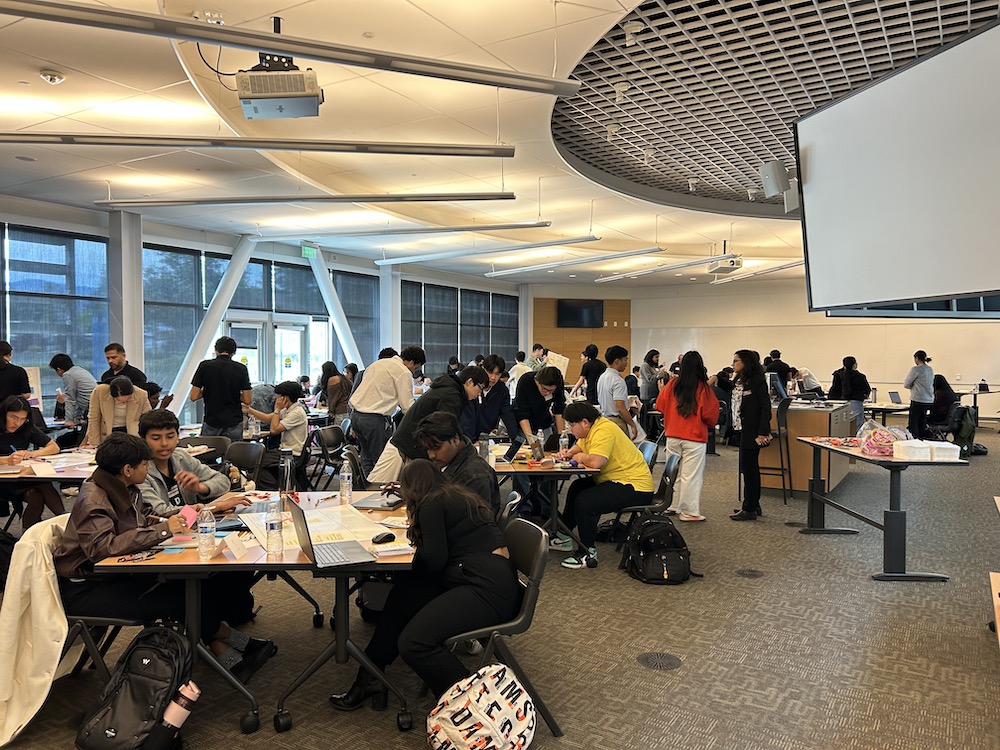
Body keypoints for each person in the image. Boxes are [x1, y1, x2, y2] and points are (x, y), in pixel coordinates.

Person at [52, 433, 275, 683]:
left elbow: (151, 518)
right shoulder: (94, 499)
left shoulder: (123, 487)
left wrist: (198, 512)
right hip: (86, 588)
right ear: (127, 470)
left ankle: (229, 653)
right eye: (144, 464)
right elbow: (102, 548)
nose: (148, 468)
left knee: (190, 587)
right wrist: (164, 530)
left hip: (112, 575)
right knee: (177, 600)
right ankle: (234, 646)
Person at [329, 459, 520, 706]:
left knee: (414, 643)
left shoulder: (432, 503)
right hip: (488, 580)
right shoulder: (450, 495)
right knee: (402, 597)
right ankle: (370, 678)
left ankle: (472, 703)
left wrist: (401, 562)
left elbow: (433, 562)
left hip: (486, 590)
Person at [550, 402, 654, 569]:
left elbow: (596, 462)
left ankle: (587, 552)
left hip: (635, 486)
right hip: (617, 479)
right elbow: (580, 446)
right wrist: (569, 453)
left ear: (584, 422)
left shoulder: (604, 430)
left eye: (572, 425)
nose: (570, 429)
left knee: (586, 502)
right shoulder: (592, 428)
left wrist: (580, 457)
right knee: (577, 487)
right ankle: (564, 535)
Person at [367, 366, 489, 484]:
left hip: (410, 446)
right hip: (403, 448)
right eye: (480, 388)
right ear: (469, 382)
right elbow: (446, 428)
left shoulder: (449, 390)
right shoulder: (452, 395)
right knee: (375, 489)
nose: (478, 394)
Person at [137, 409, 248, 517]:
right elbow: (161, 512)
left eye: (170, 436)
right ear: (143, 439)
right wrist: (214, 507)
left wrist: (200, 487)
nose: (164, 443)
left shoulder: (181, 457)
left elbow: (223, 481)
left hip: (194, 523)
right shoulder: (139, 471)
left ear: (178, 437)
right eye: (156, 438)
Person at [655, 351, 719, 522]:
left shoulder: (673, 384)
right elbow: (710, 416)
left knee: (673, 472)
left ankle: (672, 504)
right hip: (694, 438)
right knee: (691, 476)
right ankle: (688, 511)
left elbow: (659, 405)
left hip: (673, 435)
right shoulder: (703, 388)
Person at [348, 346, 426, 477]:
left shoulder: (377, 364)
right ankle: (378, 487)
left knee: (366, 457)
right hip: (373, 419)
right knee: (380, 461)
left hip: (356, 416)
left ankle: (368, 485)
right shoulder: (403, 372)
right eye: (416, 367)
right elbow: (407, 406)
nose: (414, 371)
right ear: (411, 362)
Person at [414, 411, 500, 513]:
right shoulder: (449, 463)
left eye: (436, 448)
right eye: (428, 449)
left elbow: (476, 520)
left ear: (455, 440)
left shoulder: (474, 476)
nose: (431, 455)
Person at [0, 395, 62, 527]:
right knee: (43, 484)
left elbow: (54, 447)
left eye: (23, 419)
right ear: (4, 414)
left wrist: (31, 454)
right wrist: (7, 460)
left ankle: (29, 534)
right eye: (14, 417)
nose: (17, 423)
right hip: (4, 481)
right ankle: (66, 520)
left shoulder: (26, 427)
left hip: (22, 477)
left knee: (35, 495)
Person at [242, 381, 309, 489]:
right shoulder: (288, 409)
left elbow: (274, 430)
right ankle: (276, 484)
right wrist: (249, 410)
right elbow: (268, 418)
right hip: (284, 450)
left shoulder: (297, 412)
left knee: (255, 462)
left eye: (279, 396)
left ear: (285, 398)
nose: (277, 399)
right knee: (256, 458)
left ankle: (274, 487)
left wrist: (277, 409)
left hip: (292, 453)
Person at [730, 349, 772, 521]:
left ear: (746, 362)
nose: (733, 364)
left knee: (750, 469)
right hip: (741, 428)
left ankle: (750, 508)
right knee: (747, 468)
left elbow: (765, 407)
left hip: (753, 430)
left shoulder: (757, 381)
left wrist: (762, 432)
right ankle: (753, 504)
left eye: (736, 361)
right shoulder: (739, 380)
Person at [190, 336, 253, 442]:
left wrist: (211, 390)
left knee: (209, 451)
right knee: (234, 452)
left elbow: (193, 396)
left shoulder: (204, 366)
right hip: (234, 422)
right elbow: (248, 399)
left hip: (212, 421)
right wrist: (231, 392)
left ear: (216, 350)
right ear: (234, 352)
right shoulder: (241, 368)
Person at [464, 354, 518, 441]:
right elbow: (466, 418)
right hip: (468, 436)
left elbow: (508, 415)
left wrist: (516, 439)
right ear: (483, 369)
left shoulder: (502, 390)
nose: (493, 377)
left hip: (487, 436)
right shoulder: (473, 386)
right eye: (490, 372)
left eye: (497, 374)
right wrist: (470, 441)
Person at [84, 376, 150, 447]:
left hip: (131, 433)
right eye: (119, 401)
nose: (124, 403)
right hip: (106, 431)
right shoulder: (99, 391)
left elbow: (148, 419)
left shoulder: (141, 394)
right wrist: (94, 444)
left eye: (128, 399)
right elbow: (94, 418)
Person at [597, 345, 638, 438]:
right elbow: (620, 407)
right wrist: (632, 424)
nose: (626, 363)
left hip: (604, 420)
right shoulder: (617, 380)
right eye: (625, 360)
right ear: (617, 361)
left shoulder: (602, 377)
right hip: (617, 422)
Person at [48, 353, 96, 428]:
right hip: (95, 406)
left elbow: (70, 399)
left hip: (93, 408)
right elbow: (79, 398)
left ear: (59, 369)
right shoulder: (79, 370)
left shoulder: (68, 375)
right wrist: (77, 420)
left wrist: (69, 421)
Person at [829, 356, 871, 427]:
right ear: (854, 365)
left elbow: (834, 389)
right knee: (857, 424)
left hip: (840, 403)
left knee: (842, 424)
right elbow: (867, 389)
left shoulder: (838, 374)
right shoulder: (860, 376)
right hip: (856, 402)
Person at [904, 350, 934, 438]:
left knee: (914, 423)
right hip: (929, 400)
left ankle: (915, 439)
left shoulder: (915, 369)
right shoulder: (930, 369)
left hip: (917, 399)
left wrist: (912, 385)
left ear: (916, 358)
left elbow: (906, 384)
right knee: (922, 421)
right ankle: (922, 438)